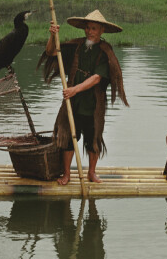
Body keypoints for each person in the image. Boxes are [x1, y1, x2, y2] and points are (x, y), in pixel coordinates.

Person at [38, 10, 128, 185]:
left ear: (101, 30)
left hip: (93, 104)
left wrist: (74, 90)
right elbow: (51, 52)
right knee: (68, 137)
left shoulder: (105, 51)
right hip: (73, 103)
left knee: (93, 139)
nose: (89, 32)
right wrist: (52, 35)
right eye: (87, 28)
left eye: (94, 28)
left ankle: (91, 173)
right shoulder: (76, 46)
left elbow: (97, 78)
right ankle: (66, 174)